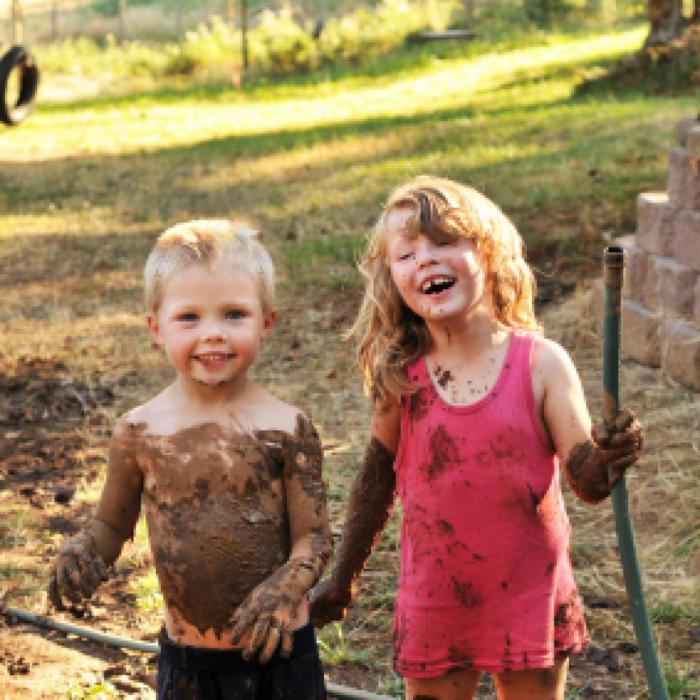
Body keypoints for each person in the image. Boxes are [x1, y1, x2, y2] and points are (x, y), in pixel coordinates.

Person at [310, 176, 644, 700]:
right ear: (391, 279)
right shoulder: (401, 375)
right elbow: (376, 477)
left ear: (490, 253)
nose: (425, 260)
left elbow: (588, 481)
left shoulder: (541, 364)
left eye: (444, 242)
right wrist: (343, 576)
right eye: (406, 254)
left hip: (530, 591)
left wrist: (611, 454)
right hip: (436, 598)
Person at [48, 219, 332, 700]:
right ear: (156, 328)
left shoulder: (287, 428)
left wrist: (286, 586)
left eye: (234, 315)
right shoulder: (139, 432)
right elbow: (112, 528)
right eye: (190, 318)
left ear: (267, 323)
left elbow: (315, 537)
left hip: (280, 651)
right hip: (190, 663)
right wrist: (84, 554)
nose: (213, 334)